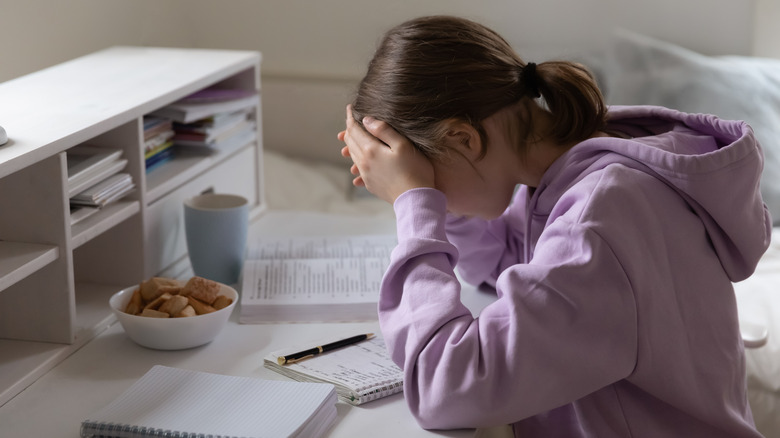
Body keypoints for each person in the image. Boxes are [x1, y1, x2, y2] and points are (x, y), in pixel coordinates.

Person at [338, 15, 770, 438]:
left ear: (463, 139)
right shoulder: (571, 167)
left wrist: (414, 207)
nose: (431, 192)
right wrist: (434, 202)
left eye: (425, 174)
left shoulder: (601, 220)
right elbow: (509, 263)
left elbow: (446, 389)